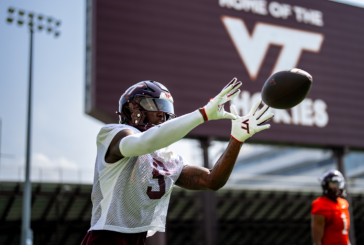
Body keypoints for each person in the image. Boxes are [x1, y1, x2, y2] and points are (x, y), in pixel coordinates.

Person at [80, 78, 274, 245]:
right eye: (154, 106)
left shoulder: (164, 157)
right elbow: (144, 142)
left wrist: (237, 139)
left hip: (137, 239)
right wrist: (203, 114)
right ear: (133, 108)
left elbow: (212, 180)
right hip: (105, 236)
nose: (161, 115)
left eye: (165, 110)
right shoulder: (113, 133)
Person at [311, 170, 350, 245]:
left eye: (339, 183)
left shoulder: (343, 204)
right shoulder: (320, 205)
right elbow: (317, 240)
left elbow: (345, 235)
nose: (337, 186)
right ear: (326, 185)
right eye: (333, 184)